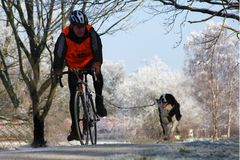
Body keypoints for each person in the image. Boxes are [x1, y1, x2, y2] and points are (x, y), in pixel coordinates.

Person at [53, 10, 107, 141]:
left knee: (98, 77)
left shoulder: (91, 32)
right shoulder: (64, 36)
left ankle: (99, 102)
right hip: (74, 66)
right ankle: (75, 128)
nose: (81, 30)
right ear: (72, 25)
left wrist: (97, 63)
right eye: (78, 27)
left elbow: (97, 48)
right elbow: (59, 54)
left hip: (89, 62)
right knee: (73, 95)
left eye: (83, 26)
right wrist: (58, 70)